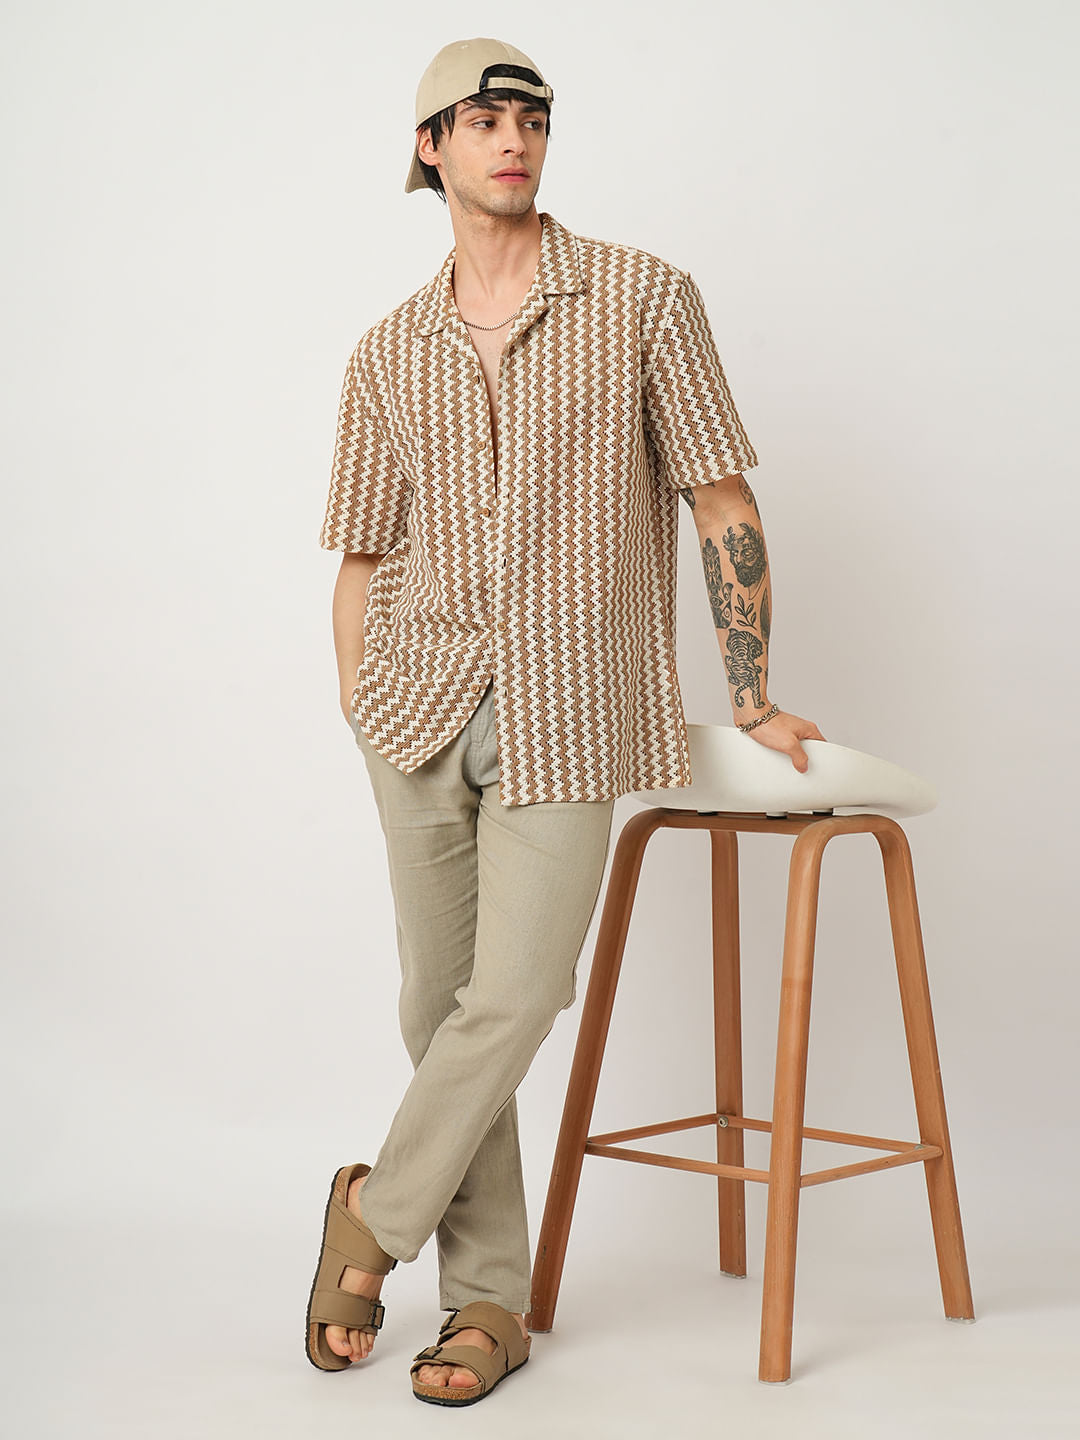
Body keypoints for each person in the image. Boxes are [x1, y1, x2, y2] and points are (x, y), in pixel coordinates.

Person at [305, 36, 826, 1407]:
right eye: (483, 119)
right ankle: (489, 1304)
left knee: (519, 995)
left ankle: (368, 1218)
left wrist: (751, 692)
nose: (514, 139)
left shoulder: (645, 298)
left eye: (532, 118)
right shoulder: (386, 352)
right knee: (436, 1010)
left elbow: (721, 500)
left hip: (571, 706)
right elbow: (361, 553)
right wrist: (359, 697)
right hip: (415, 705)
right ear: (430, 147)